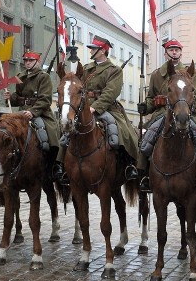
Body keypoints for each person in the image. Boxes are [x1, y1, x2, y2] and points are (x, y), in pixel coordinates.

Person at [138, 38, 196, 193]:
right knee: (146, 137)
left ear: (181, 52)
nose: (174, 52)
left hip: (186, 111)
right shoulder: (156, 75)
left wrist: (185, 106)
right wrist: (147, 106)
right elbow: (151, 96)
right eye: (171, 50)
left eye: (177, 50)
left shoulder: (190, 72)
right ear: (165, 53)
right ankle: (143, 174)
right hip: (162, 112)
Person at [59, 36, 141, 185]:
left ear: (102, 50)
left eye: (93, 48)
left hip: (107, 108)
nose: (90, 50)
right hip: (83, 107)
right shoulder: (86, 69)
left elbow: (111, 92)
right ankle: (62, 166)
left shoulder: (114, 70)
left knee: (122, 131)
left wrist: (95, 107)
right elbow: (77, 88)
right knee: (66, 130)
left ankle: (129, 165)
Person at [3, 50, 61, 178]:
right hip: (22, 112)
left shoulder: (43, 77)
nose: (28, 63)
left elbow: (45, 99)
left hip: (40, 112)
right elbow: (18, 96)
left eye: (31, 61)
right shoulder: (20, 76)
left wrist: (32, 112)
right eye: (26, 61)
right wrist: (10, 97)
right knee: (5, 129)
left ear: (37, 62)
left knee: (47, 134)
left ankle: (53, 163)